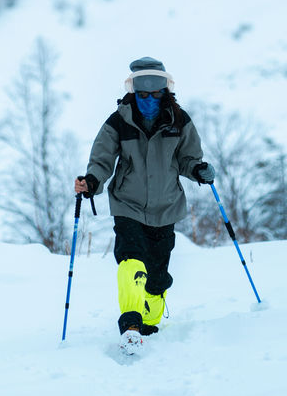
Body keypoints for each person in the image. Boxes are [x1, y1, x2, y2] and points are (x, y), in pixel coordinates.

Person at [75, 56, 215, 351]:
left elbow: (189, 159)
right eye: (142, 90)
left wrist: (199, 170)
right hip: (128, 205)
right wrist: (91, 181)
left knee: (156, 278)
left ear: (166, 89)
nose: (149, 96)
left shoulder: (180, 121)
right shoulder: (118, 122)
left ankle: (148, 321)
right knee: (131, 258)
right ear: (131, 89)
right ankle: (131, 324)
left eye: (156, 89)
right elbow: (101, 160)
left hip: (166, 206)